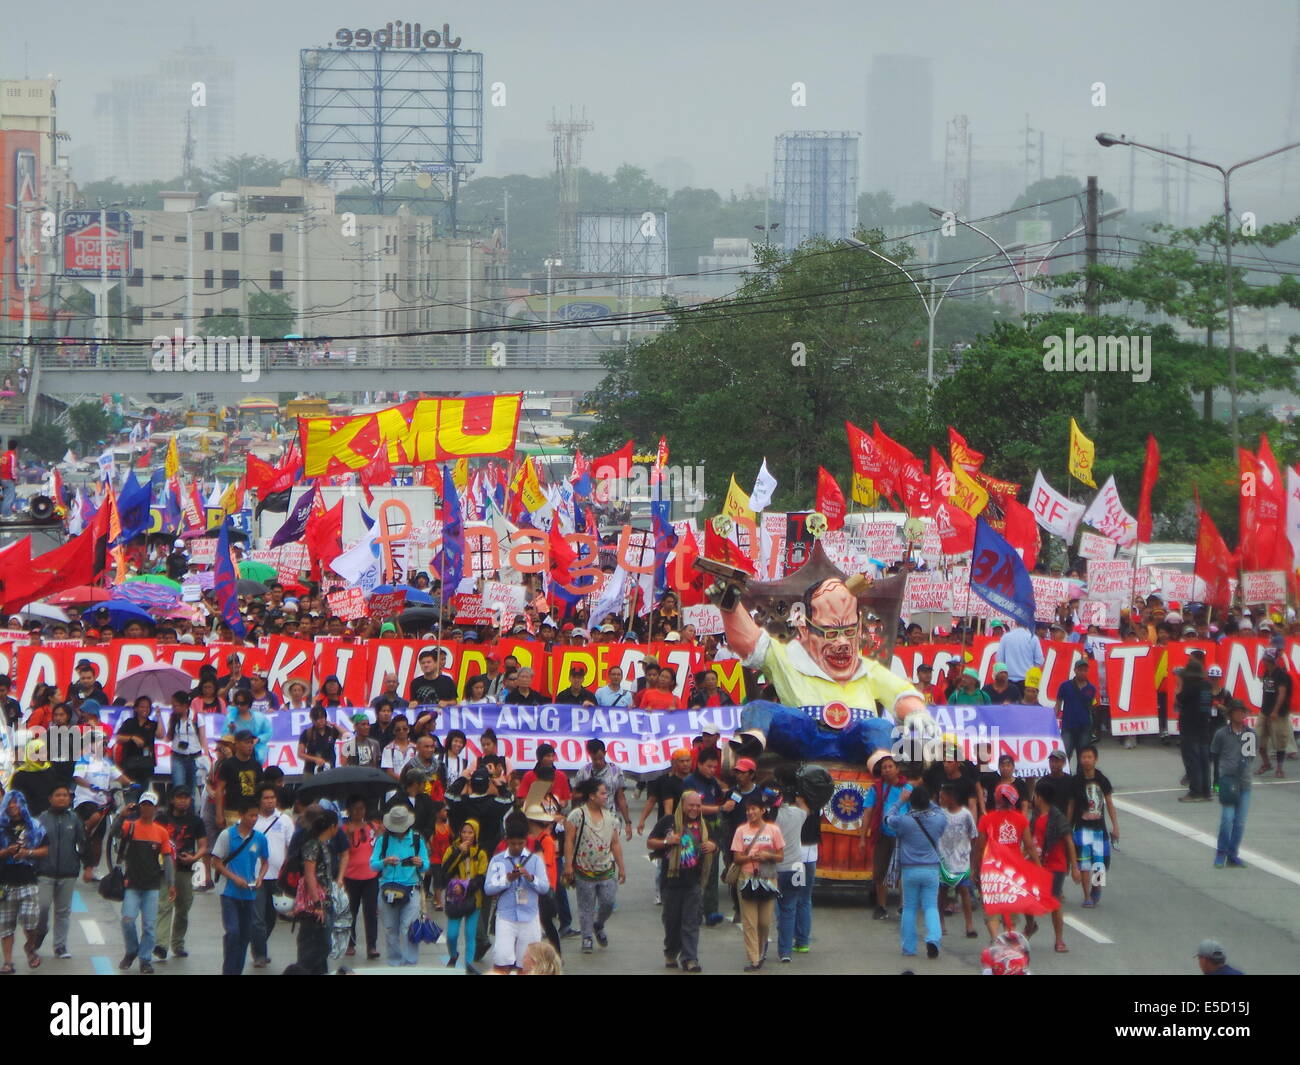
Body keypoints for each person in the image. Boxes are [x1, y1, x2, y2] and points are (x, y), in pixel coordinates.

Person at [648, 789, 714, 973]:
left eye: (698, 806)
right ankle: (670, 952)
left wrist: (713, 846)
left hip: (694, 881)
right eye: (691, 805)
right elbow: (650, 842)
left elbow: (714, 842)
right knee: (672, 922)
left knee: (691, 922)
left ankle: (690, 959)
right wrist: (667, 842)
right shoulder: (668, 822)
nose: (694, 809)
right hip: (671, 882)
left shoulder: (703, 824)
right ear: (682, 805)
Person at [113, 791, 176, 974]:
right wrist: (121, 815)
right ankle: (132, 950)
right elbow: (115, 832)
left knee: (149, 926)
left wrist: (171, 883)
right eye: (144, 805)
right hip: (132, 883)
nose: (146, 808)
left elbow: (167, 858)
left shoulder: (161, 832)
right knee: (127, 920)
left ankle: (145, 959)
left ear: (155, 808)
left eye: (150, 805)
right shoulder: (130, 827)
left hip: (152, 884)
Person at [564, 778, 626, 954]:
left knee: (608, 902)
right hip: (583, 870)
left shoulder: (611, 817)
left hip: (606, 870)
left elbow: (615, 843)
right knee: (586, 906)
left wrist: (621, 867)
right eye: (602, 793)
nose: (606, 796)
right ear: (591, 796)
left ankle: (598, 925)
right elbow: (569, 841)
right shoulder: (577, 816)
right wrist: (568, 865)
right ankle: (587, 936)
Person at [886, 784, 947, 959]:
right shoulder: (938, 820)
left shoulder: (904, 821)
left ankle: (909, 948)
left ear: (911, 802)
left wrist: (900, 801)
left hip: (909, 869)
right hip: (931, 869)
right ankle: (933, 939)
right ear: (927, 801)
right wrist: (930, 801)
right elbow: (941, 813)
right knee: (930, 907)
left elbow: (888, 818)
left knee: (909, 908)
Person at [211, 797, 270, 976]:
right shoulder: (227, 835)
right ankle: (229, 970)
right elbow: (216, 862)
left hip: (249, 893)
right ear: (241, 815)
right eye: (251, 815)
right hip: (229, 892)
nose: (254, 819)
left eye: (256, 816)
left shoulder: (260, 838)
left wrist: (260, 877)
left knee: (245, 935)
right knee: (233, 932)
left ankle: (237, 970)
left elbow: (265, 862)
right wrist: (234, 878)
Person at [485, 812, 549, 973]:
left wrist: (530, 877)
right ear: (507, 841)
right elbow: (488, 888)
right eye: (513, 844)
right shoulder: (498, 860)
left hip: (530, 917)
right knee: (501, 960)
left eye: (521, 843)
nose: (517, 847)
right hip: (506, 917)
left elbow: (544, 887)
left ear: (526, 841)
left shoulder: (535, 860)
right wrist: (507, 880)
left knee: (528, 964)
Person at [975, 783, 1040, 938]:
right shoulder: (1021, 820)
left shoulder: (986, 819)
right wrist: (1038, 868)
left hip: (992, 869)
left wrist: (977, 869)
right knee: (1009, 905)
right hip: (1013, 870)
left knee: (992, 904)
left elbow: (980, 848)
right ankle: (1006, 937)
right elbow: (1030, 847)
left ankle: (996, 939)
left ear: (996, 798)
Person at [730, 795, 783, 972]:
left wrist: (768, 856)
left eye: (754, 809)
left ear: (762, 810)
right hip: (746, 878)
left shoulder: (773, 830)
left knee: (765, 922)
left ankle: (760, 953)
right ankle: (754, 959)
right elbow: (737, 858)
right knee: (749, 922)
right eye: (748, 809)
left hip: (768, 878)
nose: (750, 812)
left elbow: (780, 856)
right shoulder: (741, 831)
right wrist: (750, 857)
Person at [33, 783, 84, 962]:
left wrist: (84, 865)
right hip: (45, 872)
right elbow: (34, 844)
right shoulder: (41, 819)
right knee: (43, 907)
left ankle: (60, 946)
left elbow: (82, 843)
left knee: (63, 912)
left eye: (65, 795)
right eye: (58, 795)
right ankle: (40, 932)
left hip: (68, 872)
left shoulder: (74, 819)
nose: (62, 798)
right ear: (50, 798)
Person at [372, 803, 427, 967]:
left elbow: (426, 865)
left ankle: (410, 963)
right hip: (387, 889)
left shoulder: (417, 839)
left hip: (411, 890)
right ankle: (394, 963)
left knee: (408, 928)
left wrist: (420, 863)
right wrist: (385, 862)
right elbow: (373, 864)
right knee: (390, 930)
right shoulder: (383, 840)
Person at [155, 787, 206, 961]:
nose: (183, 801)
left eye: (186, 797)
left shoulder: (196, 821)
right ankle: (161, 945)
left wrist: (194, 858)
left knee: (183, 908)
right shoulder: (161, 819)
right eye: (180, 797)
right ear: (172, 800)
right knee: (164, 906)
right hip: (166, 868)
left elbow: (203, 846)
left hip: (185, 869)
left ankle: (178, 943)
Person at [0, 790, 48, 973]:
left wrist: (27, 853)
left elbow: (45, 850)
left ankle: (30, 947)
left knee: (30, 920)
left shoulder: (34, 826)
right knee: (6, 925)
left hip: (28, 879)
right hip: (4, 882)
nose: (13, 807)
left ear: (22, 804)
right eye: (9, 803)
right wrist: (6, 852)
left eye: (16, 803)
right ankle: (8, 962)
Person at [861, 753, 912, 920]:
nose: (887, 770)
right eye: (884, 767)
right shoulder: (876, 788)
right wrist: (862, 837)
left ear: (898, 769)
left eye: (890, 766)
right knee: (880, 871)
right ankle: (881, 906)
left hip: (904, 835)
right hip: (883, 834)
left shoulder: (908, 789)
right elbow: (868, 812)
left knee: (905, 871)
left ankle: (903, 906)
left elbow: (916, 812)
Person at [1066, 746, 1118, 908]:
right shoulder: (1076, 781)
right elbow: (1071, 805)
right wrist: (1068, 826)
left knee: (1100, 864)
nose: (1086, 760)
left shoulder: (1102, 780)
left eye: (1089, 757)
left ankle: (1096, 888)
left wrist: (1115, 826)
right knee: (1085, 864)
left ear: (1095, 759)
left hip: (1099, 829)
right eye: (1083, 757)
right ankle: (1087, 895)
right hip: (1082, 828)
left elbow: (1109, 803)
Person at [72, 742, 131, 882]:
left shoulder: (107, 763)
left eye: (105, 745)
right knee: (95, 816)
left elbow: (120, 777)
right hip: (85, 800)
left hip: (102, 802)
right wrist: (90, 786)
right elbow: (77, 778)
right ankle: (82, 832)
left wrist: (131, 784)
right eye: (100, 745)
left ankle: (95, 868)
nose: (103, 747)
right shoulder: (85, 759)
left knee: (98, 839)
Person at [251, 784, 295, 968]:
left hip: (278, 877)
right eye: (266, 798)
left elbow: (292, 847)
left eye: (272, 798)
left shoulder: (284, 820)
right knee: (258, 918)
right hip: (257, 876)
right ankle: (260, 954)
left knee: (271, 918)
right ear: (259, 800)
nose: (270, 801)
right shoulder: (252, 820)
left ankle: (258, 945)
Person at [1211, 700, 1256, 869]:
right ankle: (1221, 852)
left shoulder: (1250, 734)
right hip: (1227, 780)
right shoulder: (1222, 734)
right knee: (1227, 818)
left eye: (1242, 712)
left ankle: (1233, 853)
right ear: (1230, 715)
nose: (1240, 715)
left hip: (1244, 782)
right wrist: (1216, 780)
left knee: (1240, 822)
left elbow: (1251, 757)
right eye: (1237, 712)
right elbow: (1215, 755)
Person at [442, 818, 488, 973]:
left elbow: (481, 877)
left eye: (470, 832)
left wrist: (465, 888)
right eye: (464, 832)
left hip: (474, 899)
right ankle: (453, 955)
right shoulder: (452, 849)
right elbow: (445, 871)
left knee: (470, 934)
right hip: (455, 899)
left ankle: (468, 965)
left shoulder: (481, 852)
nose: (467, 836)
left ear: (476, 834)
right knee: (452, 935)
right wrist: (458, 852)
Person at [296, 808, 340, 974]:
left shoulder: (325, 845)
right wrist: (317, 904)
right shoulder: (312, 845)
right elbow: (310, 875)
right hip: (314, 907)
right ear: (332, 826)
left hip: (326, 902)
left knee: (323, 946)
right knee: (314, 947)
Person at [341, 794, 381, 960]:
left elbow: (379, 847)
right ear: (349, 810)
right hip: (351, 876)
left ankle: (371, 945)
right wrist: (348, 836)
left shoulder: (373, 826)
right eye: (356, 808)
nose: (359, 812)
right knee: (351, 911)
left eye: (362, 808)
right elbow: (342, 853)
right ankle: (350, 943)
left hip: (371, 876)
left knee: (370, 911)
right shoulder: (343, 829)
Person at [937, 782, 978, 939]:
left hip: (961, 861)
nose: (940, 799)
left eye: (943, 797)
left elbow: (973, 835)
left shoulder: (965, 815)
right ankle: (940, 922)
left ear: (951, 798)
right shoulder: (940, 814)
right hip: (944, 860)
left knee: (964, 891)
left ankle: (969, 925)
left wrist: (968, 854)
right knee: (942, 892)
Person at [773, 784, 808, 963]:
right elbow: (806, 809)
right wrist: (800, 799)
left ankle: (763, 949)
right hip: (797, 866)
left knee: (771, 907)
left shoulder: (770, 817)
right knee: (790, 908)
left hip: (775, 867)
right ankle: (785, 951)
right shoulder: (798, 814)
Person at [575, 738, 632, 840]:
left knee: (611, 848)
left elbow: (621, 798)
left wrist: (628, 822)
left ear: (605, 753)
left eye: (600, 758)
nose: (598, 762)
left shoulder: (616, 771)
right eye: (594, 759)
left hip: (610, 817)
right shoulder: (584, 772)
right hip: (589, 819)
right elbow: (575, 796)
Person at [1176, 658, 1213, 801]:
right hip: (1204, 725)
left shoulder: (1191, 686)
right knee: (1204, 760)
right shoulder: (1207, 686)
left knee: (1192, 760)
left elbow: (1180, 699)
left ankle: (1195, 791)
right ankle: (1206, 791)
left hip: (1190, 727)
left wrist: (1180, 686)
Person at [1255, 649, 1292, 777]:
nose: (1263, 661)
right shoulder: (1267, 673)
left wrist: (1275, 711)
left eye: (1265, 659)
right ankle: (1266, 763)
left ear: (1269, 660)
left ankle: (1279, 768)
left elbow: (1282, 693)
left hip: (1278, 713)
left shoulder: (1281, 674)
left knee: (1279, 741)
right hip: (1264, 711)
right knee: (1259, 738)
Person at [214, 731, 262, 826]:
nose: (250, 746)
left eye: (251, 743)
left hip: (253, 812)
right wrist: (219, 815)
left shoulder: (256, 765)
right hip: (233, 812)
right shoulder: (228, 765)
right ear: (237, 744)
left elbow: (261, 787)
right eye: (247, 742)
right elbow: (219, 789)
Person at [1055, 659, 1097, 768]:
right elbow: (1058, 705)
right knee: (1065, 753)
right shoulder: (1065, 686)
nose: (1082, 672)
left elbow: (1091, 708)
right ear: (1075, 670)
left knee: (1083, 756)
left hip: (1085, 727)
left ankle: (1080, 779)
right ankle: (1065, 778)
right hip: (1068, 726)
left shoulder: (1091, 689)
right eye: (1080, 670)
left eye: (1085, 670)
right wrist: (1052, 720)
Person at [166, 691, 206, 794]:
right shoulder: (173, 717)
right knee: (178, 788)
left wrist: (205, 755)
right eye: (173, 706)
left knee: (192, 789)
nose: (174, 708)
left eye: (176, 705)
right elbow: (168, 737)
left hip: (194, 757)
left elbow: (203, 737)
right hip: (177, 757)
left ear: (184, 705)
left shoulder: (196, 717)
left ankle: (191, 810)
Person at [223, 690, 272, 766]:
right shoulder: (230, 718)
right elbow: (224, 737)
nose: (239, 706)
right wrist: (231, 731)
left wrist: (258, 739)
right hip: (236, 754)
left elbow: (269, 732)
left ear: (249, 704)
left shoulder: (259, 717)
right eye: (237, 703)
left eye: (242, 704)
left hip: (254, 753)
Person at [297, 706, 342, 775]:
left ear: (325, 718)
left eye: (321, 718)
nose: (319, 721)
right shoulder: (307, 733)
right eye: (316, 719)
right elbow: (300, 754)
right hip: (311, 771)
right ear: (312, 720)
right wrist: (315, 759)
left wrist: (335, 726)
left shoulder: (332, 731)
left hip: (330, 770)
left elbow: (347, 736)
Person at [380, 715, 417, 782]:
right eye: (398, 729)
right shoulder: (388, 749)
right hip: (394, 787)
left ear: (408, 729)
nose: (401, 731)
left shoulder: (415, 748)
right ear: (394, 731)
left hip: (413, 786)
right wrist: (404, 781)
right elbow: (389, 773)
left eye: (404, 729)